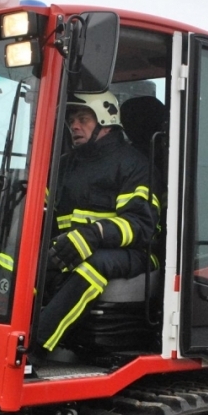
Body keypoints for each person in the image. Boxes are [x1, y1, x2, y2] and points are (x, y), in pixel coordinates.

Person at [35, 91, 159, 357]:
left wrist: (91, 236)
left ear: (106, 120)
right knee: (21, 262)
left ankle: (35, 346)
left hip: (138, 253)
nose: (74, 126)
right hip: (77, 245)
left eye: (83, 119)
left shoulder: (135, 165)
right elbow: (42, 211)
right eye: (71, 121)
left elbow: (141, 226)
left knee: (92, 267)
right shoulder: (65, 165)